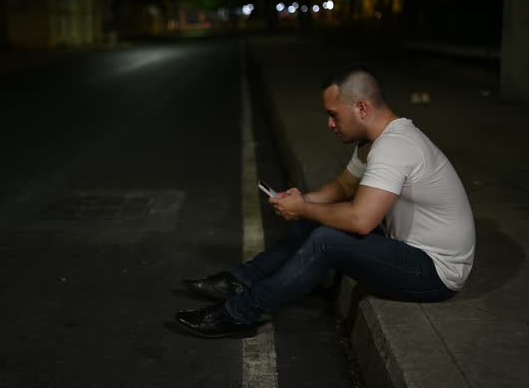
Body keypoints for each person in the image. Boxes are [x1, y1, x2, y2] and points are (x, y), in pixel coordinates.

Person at [175, 68, 475, 338]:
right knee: (316, 220)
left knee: (327, 240)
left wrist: (305, 208)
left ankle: (239, 314)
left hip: (436, 273)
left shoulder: (395, 147)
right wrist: (301, 202)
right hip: (407, 248)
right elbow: (344, 186)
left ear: (361, 107)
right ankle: (241, 280)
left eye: (334, 115)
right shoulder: (375, 141)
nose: (330, 124)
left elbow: (361, 220)